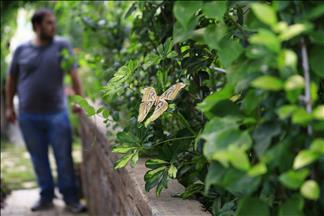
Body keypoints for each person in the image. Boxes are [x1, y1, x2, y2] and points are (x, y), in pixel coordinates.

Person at [5, 8, 86, 213]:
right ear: (37, 26)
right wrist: (8, 107)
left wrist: (79, 100)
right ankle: (46, 196)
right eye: (49, 23)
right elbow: (12, 79)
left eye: (54, 22)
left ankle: (71, 198)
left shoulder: (62, 45)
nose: (54, 26)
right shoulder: (21, 50)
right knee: (38, 158)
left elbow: (74, 74)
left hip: (56, 114)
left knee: (64, 158)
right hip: (28, 116)